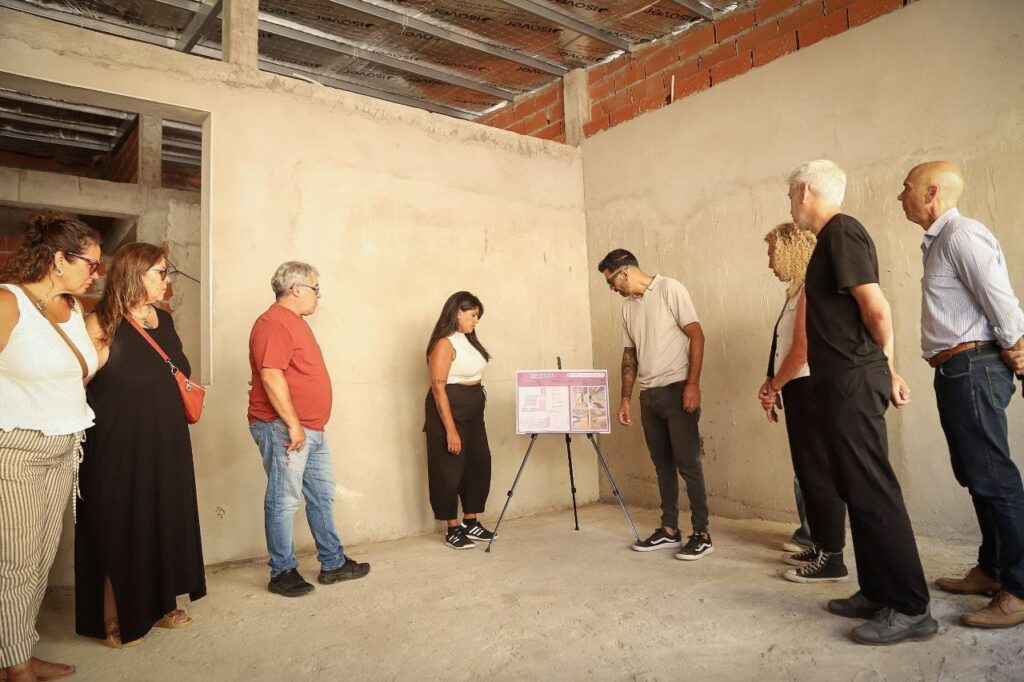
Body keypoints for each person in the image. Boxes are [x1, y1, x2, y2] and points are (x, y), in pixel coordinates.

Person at [788, 159, 936, 645]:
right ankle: (876, 591)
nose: (791, 205)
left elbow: (876, 307)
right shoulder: (829, 241)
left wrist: (885, 366)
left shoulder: (842, 232)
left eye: (792, 196)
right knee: (856, 490)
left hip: (853, 381)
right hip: (841, 384)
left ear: (807, 191)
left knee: (874, 493)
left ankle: (912, 608)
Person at [898, 161, 1024, 628]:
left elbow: (1002, 302)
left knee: (994, 478)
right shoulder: (939, 242)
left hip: (973, 367)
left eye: (906, 188)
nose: (900, 196)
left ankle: (1018, 589)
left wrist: (1017, 349)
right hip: (959, 369)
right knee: (976, 474)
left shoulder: (961, 235)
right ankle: (991, 570)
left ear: (931, 193)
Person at [74, 242, 206, 648]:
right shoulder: (101, 322)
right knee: (118, 522)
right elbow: (76, 381)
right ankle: (113, 614)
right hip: (117, 444)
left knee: (161, 517)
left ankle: (161, 603)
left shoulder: (163, 319)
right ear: (134, 275)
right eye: (161, 272)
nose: (167, 280)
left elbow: (175, 368)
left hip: (166, 440)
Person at [0, 211, 100, 682]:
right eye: (89, 263)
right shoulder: (8, 303)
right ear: (59, 259)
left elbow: (75, 372)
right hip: (17, 451)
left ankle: (17, 649)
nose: (93, 273)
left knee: (39, 561)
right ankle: (14, 666)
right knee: (14, 563)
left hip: (65, 447)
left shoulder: (73, 309)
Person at [248, 262, 369, 597]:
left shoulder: (294, 323)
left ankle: (333, 562)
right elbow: (271, 376)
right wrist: (293, 425)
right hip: (285, 428)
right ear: (297, 288)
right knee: (284, 500)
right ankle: (282, 572)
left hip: (310, 429)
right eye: (316, 288)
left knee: (321, 496)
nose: (319, 296)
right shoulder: (273, 324)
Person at [599, 249, 712, 560]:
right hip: (649, 396)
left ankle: (702, 533)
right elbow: (629, 356)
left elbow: (697, 336)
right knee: (663, 465)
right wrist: (625, 398)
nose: (612, 288)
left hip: (678, 390)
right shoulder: (627, 308)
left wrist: (692, 384)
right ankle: (669, 530)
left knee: (689, 465)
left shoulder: (669, 289)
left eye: (611, 281)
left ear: (624, 272)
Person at [757, 223, 849, 583]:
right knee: (809, 473)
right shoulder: (795, 293)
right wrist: (773, 382)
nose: (769, 263)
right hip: (798, 388)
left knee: (819, 473)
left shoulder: (812, 288)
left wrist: (775, 385)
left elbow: (802, 350)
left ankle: (833, 558)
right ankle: (821, 545)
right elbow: (782, 347)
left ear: (789, 252)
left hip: (810, 387)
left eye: (771, 254)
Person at [424, 292, 495, 549]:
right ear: (457, 313)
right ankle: (452, 528)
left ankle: (470, 521)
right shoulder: (444, 343)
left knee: (478, 463)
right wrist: (450, 430)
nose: (476, 320)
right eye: (473, 315)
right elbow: (438, 389)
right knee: (449, 467)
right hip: (449, 408)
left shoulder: (468, 340)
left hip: (473, 408)